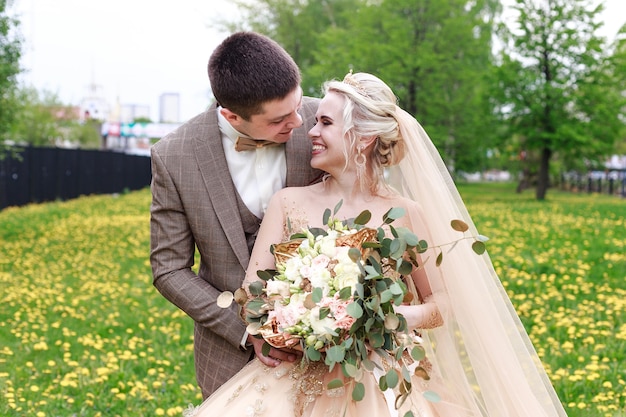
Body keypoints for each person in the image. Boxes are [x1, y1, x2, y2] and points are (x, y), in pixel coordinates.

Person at [184, 72, 568, 416]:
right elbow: (254, 294)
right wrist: (298, 318)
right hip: (295, 375)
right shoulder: (289, 203)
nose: (311, 132)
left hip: (381, 376)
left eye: (326, 123)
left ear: (364, 138)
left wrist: (386, 318)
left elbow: (443, 302)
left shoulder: (405, 214)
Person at [150, 32, 322, 399]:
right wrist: (247, 330)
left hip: (326, 350)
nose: (297, 121)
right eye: (279, 119)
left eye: (297, 104)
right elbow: (169, 269)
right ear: (231, 115)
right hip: (228, 355)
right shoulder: (174, 156)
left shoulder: (324, 122)